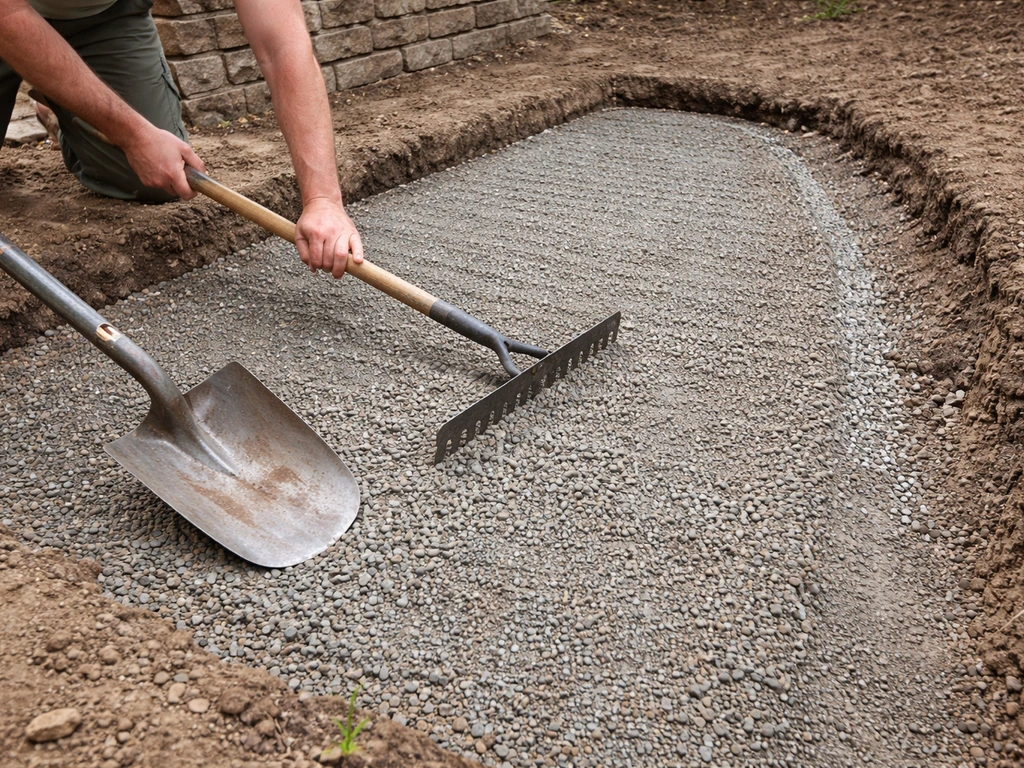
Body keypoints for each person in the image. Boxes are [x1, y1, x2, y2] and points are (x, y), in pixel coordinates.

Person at [0, 0, 362, 279]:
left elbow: (283, 46)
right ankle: (63, 91)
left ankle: (64, 111)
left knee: (155, 179)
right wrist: (134, 133)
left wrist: (323, 199)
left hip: (100, 16)